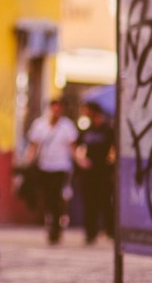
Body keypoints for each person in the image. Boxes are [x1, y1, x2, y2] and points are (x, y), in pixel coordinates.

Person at [25, 97, 77, 245]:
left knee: (57, 196)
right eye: (55, 107)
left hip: (61, 166)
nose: (57, 110)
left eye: (59, 108)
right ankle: (51, 223)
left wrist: (80, 161)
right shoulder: (40, 125)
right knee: (47, 197)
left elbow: (72, 147)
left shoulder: (67, 126)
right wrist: (28, 159)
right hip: (44, 166)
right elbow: (33, 146)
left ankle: (56, 227)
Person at [75, 101, 115, 244]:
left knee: (105, 202)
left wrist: (111, 163)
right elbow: (78, 146)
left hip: (103, 170)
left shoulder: (107, 129)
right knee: (89, 202)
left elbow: (114, 147)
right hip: (88, 172)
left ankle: (110, 230)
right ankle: (91, 232)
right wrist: (81, 160)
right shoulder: (87, 129)